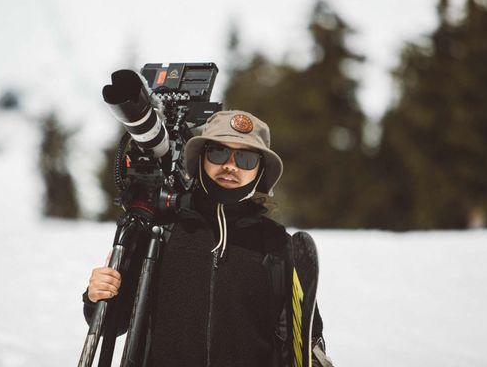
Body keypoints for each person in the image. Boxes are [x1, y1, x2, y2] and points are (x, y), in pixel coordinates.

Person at [83, 110, 333, 367]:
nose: (230, 165)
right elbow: (113, 324)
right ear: (201, 158)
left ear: (260, 170)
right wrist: (97, 296)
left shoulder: (277, 245)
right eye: (218, 152)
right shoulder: (161, 233)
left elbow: (304, 341)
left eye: (246, 158)